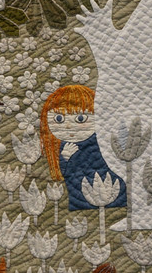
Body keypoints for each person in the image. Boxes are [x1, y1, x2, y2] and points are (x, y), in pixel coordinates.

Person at [40, 84, 126, 212]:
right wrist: (65, 158)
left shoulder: (102, 141)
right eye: (59, 118)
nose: (68, 126)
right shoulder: (63, 146)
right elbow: (67, 174)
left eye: (80, 118)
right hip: (78, 196)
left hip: (111, 192)